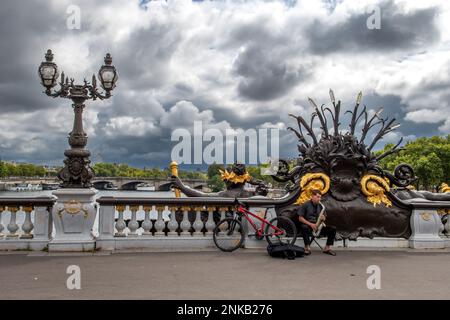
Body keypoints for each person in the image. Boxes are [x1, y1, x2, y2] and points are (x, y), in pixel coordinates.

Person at [297, 189, 336, 256]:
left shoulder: (321, 206)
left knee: (333, 228)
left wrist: (323, 218)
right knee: (304, 227)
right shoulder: (305, 205)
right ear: (312, 196)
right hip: (309, 226)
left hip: (318, 227)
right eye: (318, 197)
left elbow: (324, 217)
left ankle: (327, 248)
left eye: (320, 197)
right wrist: (310, 224)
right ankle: (307, 247)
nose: (319, 199)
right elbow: (300, 218)